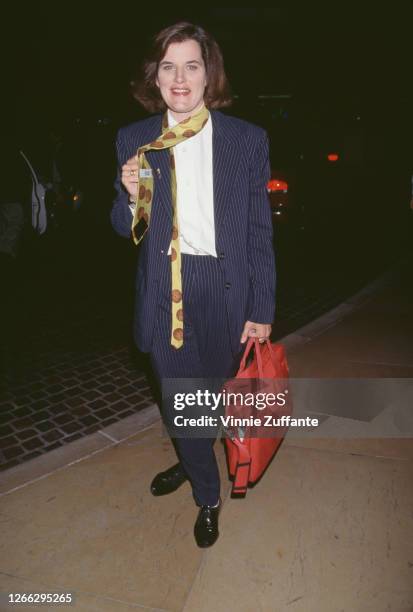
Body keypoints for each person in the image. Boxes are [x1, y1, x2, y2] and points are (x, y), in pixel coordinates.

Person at [111, 22, 276, 547]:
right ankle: (207, 493)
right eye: (168, 66)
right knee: (184, 401)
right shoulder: (136, 139)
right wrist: (128, 193)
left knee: (208, 398)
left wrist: (263, 303)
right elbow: (124, 227)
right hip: (165, 288)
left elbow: (257, 231)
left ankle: (191, 457)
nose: (179, 78)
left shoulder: (246, 140)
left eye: (192, 65)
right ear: (154, 78)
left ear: (209, 75)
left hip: (224, 289)